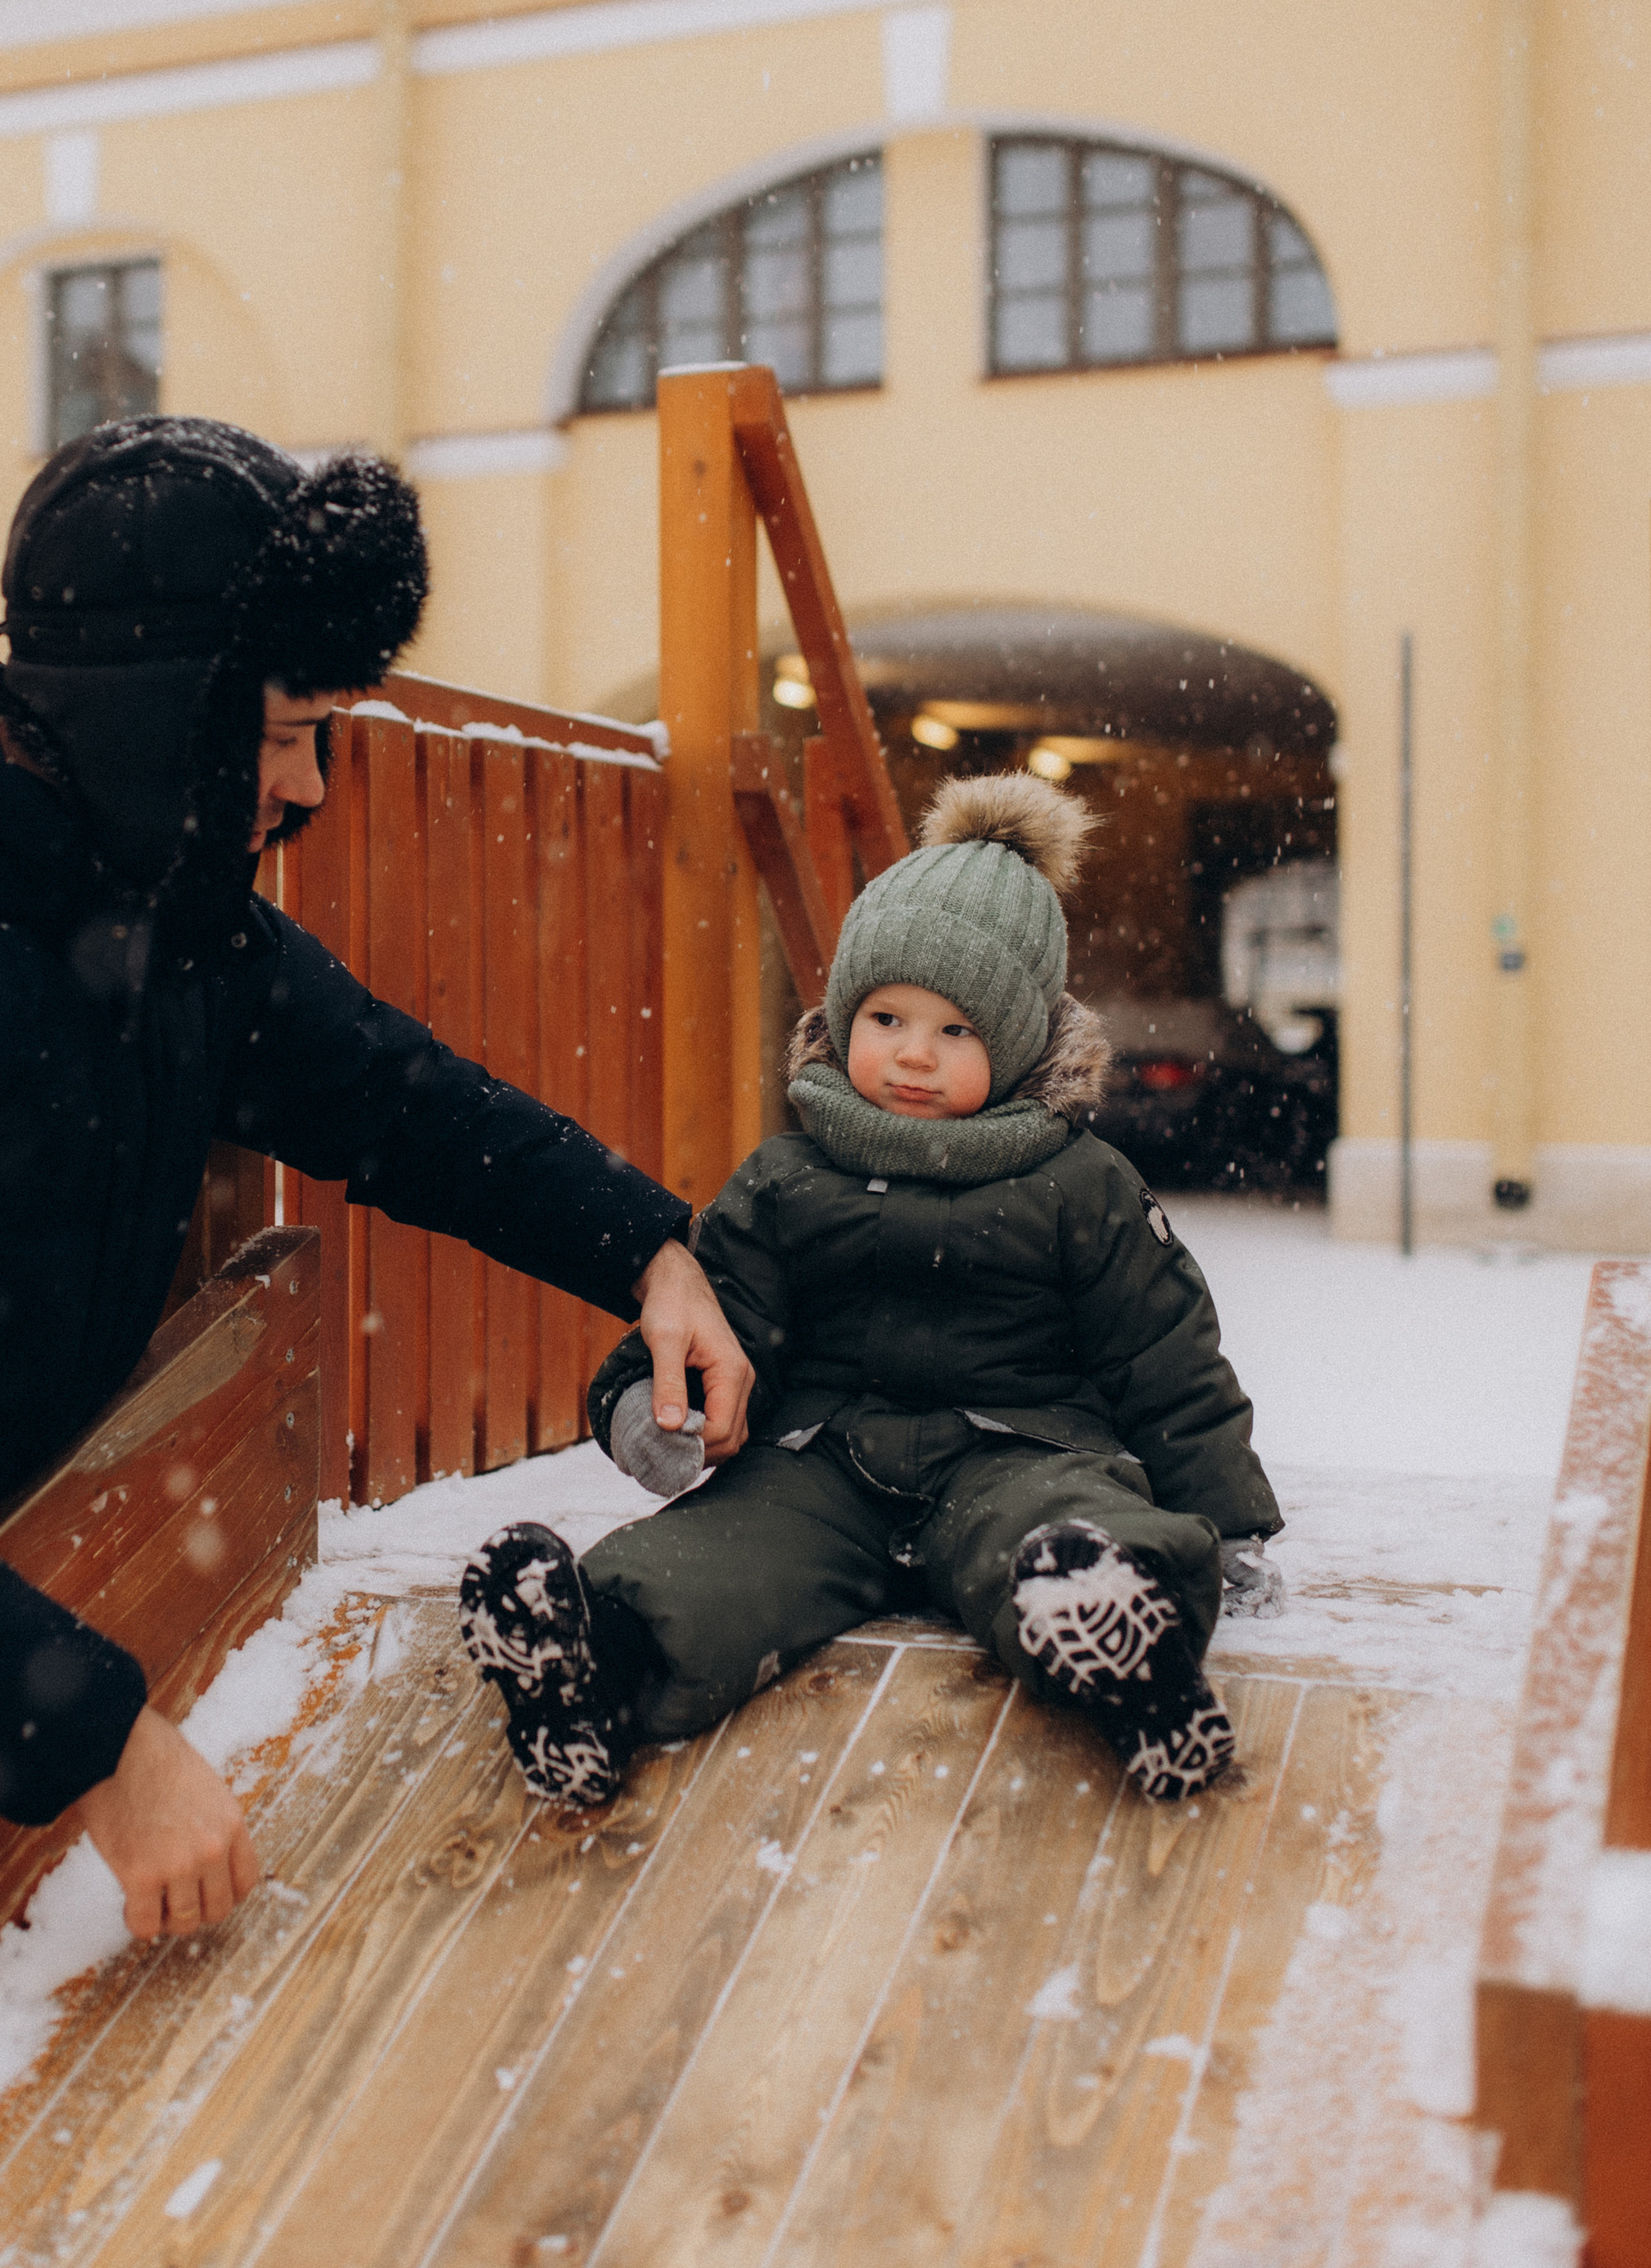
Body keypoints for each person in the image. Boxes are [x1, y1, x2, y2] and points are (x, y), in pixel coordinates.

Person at [0, 418, 748, 2056]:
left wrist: (649, 1249)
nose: (308, 787)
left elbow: (395, 1097)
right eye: (279, 736)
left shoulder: (162, 923)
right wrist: (100, 1742)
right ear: (142, 723)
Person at [458, 770, 1285, 1809]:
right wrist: (652, 1406)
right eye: (886, 1016)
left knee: (1061, 1532)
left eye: (956, 1032)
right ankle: (593, 1672)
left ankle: (1135, 1664)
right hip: (820, 1466)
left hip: (1018, 1452)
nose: (911, 1055)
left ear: (1022, 1045)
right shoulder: (788, 1178)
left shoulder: (1080, 1184)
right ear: (842, 1013)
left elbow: (1164, 1357)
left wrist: (1228, 1517)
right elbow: (720, 1315)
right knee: (719, 1559)